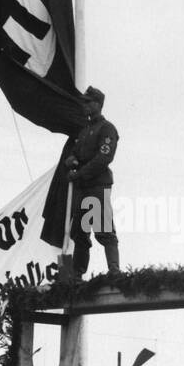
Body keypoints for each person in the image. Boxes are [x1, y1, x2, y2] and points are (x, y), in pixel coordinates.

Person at [64, 87, 120, 278]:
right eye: (84, 102)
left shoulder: (107, 129)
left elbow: (103, 158)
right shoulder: (85, 131)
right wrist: (70, 159)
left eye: (88, 102)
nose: (85, 105)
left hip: (96, 185)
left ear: (98, 104)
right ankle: (77, 276)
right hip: (83, 188)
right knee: (79, 233)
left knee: (103, 230)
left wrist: (79, 174)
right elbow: (76, 153)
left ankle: (114, 271)